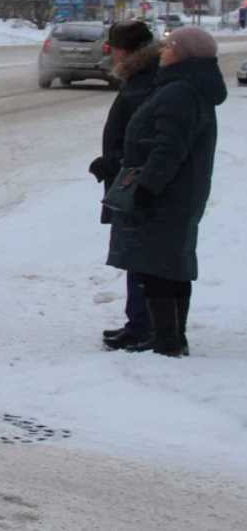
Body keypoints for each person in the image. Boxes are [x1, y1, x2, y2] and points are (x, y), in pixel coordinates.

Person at [106, 25, 227, 357]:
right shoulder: (185, 87)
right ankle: (169, 338)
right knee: (169, 264)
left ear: (186, 55)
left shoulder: (180, 92)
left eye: (171, 46)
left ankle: (166, 342)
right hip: (178, 191)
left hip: (168, 194)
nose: (164, 50)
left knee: (158, 265)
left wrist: (147, 187)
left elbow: (168, 148)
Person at [88, 20, 161, 351]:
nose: (111, 53)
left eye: (114, 47)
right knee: (136, 252)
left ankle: (145, 325)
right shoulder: (142, 79)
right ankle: (139, 322)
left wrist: (115, 163)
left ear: (127, 51)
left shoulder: (145, 83)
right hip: (129, 177)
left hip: (136, 180)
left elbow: (144, 137)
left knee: (142, 251)